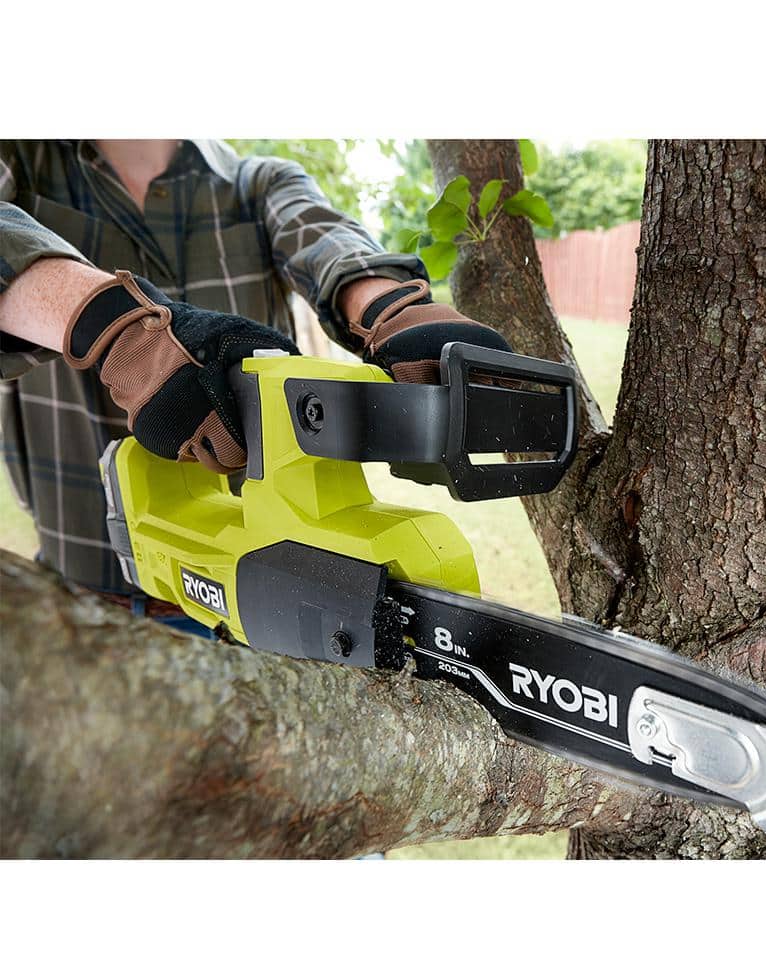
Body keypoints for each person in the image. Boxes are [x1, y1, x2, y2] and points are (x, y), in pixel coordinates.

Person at [0, 139, 510, 632]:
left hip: (273, 601)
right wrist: (115, 326)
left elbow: (327, 241)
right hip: (87, 603)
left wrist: (390, 308)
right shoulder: (18, 159)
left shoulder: (259, 182)